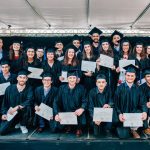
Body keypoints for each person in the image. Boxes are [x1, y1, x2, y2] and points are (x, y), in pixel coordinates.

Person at [114, 64, 147, 139]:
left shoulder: (139, 89)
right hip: (123, 116)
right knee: (123, 136)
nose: (130, 77)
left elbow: (142, 103)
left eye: (132, 76)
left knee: (144, 123)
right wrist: (119, 114)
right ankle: (130, 129)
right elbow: (116, 104)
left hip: (134, 114)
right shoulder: (119, 88)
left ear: (135, 77)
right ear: (125, 75)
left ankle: (133, 129)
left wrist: (144, 112)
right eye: (128, 75)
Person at [0, 69, 34, 135]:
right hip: (12, 112)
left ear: (26, 79)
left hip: (23, 112)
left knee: (28, 106)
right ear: (17, 78)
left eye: (24, 78)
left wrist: (18, 107)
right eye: (20, 77)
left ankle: (22, 124)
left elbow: (29, 100)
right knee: (2, 131)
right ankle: (16, 122)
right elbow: (5, 103)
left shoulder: (29, 88)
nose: (22, 79)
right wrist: (4, 113)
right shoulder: (9, 88)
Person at [54, 70, 87, 136]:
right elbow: (56, 101)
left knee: (83, 122)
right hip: (66, 112)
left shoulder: (81, 88)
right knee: (56, 127)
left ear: (77, 79)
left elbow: (85, 101)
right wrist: (56, 113)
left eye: (74, 78)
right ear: (67, 79)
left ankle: (78, 128)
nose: (72, 79)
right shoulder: (62, 88)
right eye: (70, 78)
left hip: (77, 113)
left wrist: (82, 108)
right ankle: (68, 125)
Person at [139, 67, 150, 136]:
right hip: (145, 108)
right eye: (148, 76)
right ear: (145, 78)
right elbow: (140, 100)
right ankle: (146, 127)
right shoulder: (141, 88)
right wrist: (146, 103)